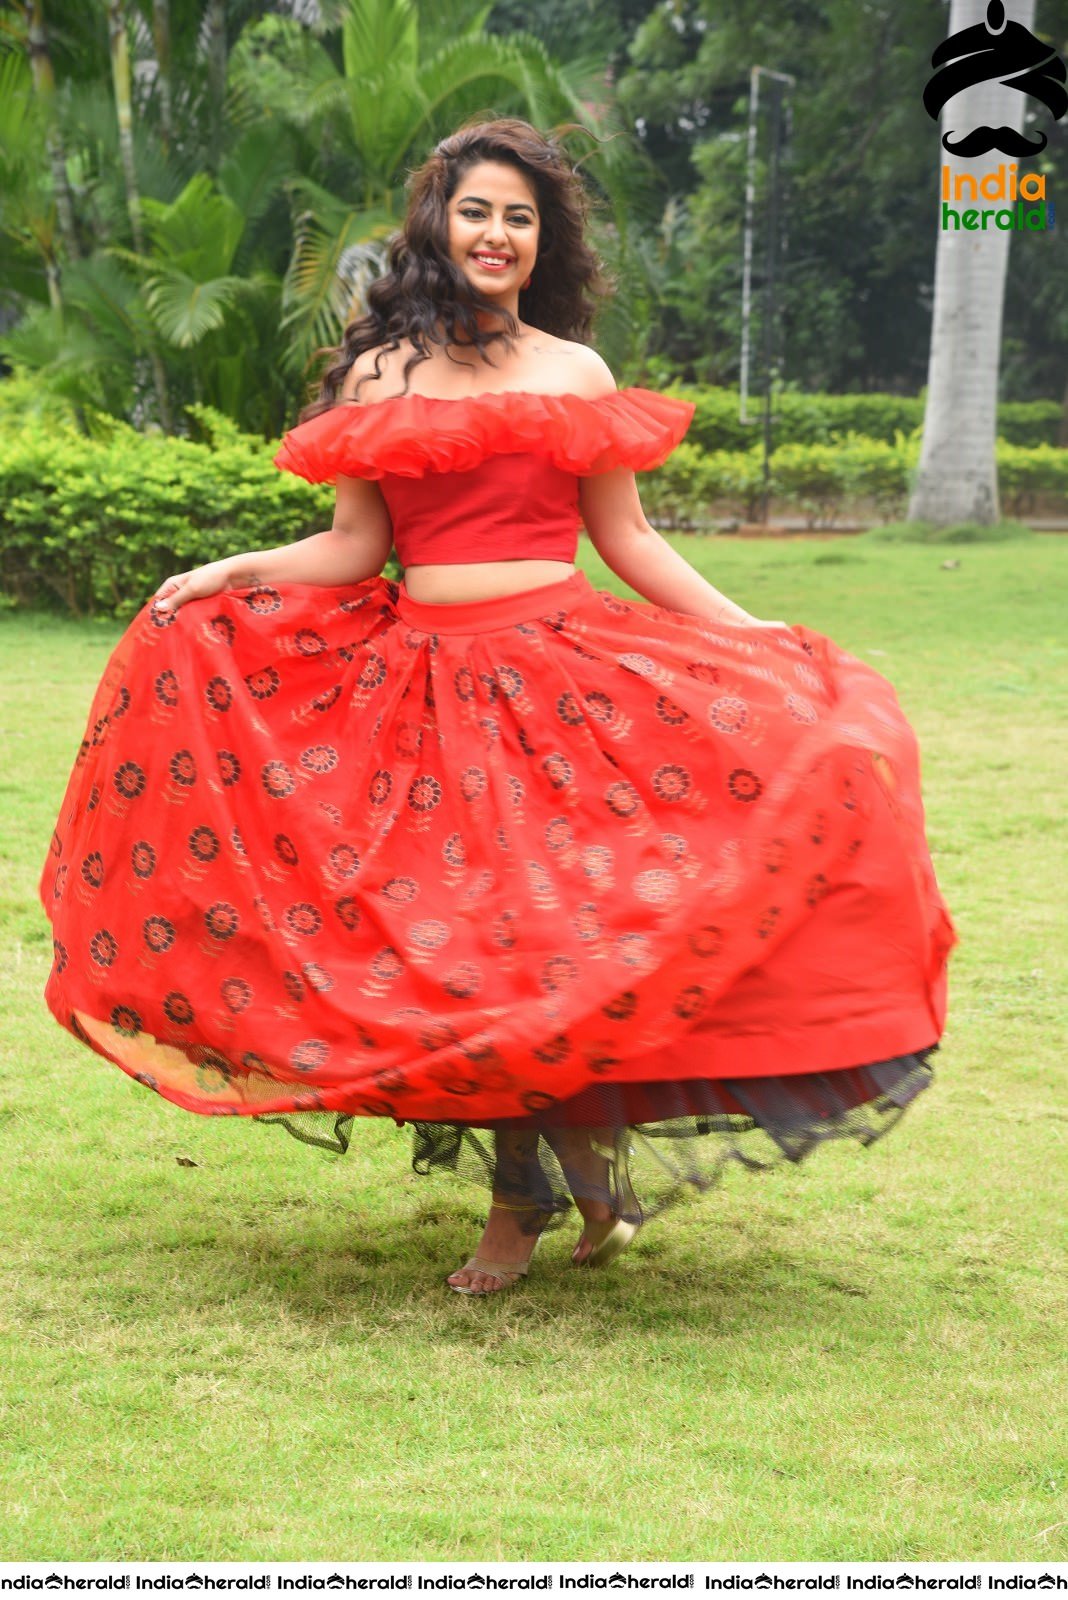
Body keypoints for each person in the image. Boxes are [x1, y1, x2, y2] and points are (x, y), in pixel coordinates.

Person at [38, 118, 956, 1297]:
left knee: (554, 938)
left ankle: (525, 1204)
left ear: (542, 241)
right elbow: (354, 545)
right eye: (478, 210)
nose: (498, 233)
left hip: (563, 682)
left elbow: (628, 539)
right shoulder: (379, 374)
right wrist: (229, 574)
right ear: (438, 222)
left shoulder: (575, 373)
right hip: (423, 693)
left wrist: (751, 632)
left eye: (520, 217)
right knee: (474, 948)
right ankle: (573, 1185)